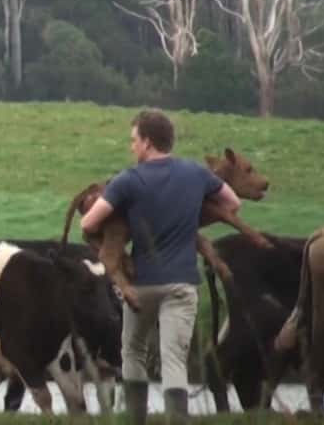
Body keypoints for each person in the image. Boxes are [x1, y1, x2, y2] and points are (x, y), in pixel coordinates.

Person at [79, 109, 242, 424]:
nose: (131, 147)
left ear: (147, 142)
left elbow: (88, 221)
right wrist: (189, 216)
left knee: (133, 352)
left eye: (133, 140)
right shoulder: (196, 173)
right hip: (181, 284)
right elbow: (233, 203)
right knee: (174, 359)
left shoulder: (128, 180)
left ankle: (136, 420)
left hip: (141, 283)